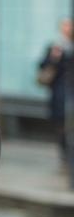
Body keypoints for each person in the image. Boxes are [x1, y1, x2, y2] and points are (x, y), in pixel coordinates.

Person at [38, 18, 72, 166]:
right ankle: (65, 154)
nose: (67, 29)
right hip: (59, 93)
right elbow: (42, 66)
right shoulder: (55, 47)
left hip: (70, 92)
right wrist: (54, 57)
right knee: (61, 124)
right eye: (65, 26)